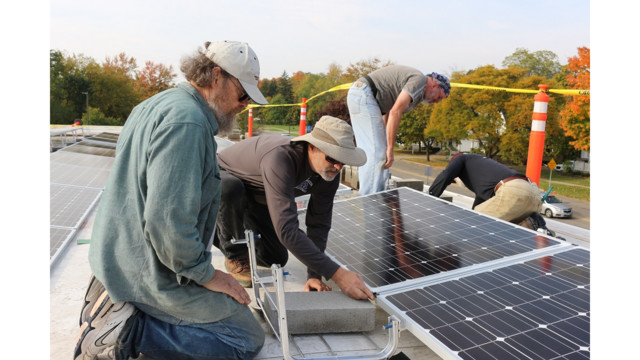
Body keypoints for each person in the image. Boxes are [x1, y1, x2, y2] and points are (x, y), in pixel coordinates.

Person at [74, 40, 269, 360]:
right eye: (242, 93)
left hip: (123, 256)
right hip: (147, 270)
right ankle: (125, 333)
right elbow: (168, 222)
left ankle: (121, 311)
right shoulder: (187, 123)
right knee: (244, 338)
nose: (244, 104)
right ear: (216, 76)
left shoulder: (160, 103)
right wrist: (207, 275)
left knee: (234, 314)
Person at [214, 115, 375, 301]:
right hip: (220, 179)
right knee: (230, 188)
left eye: (343, 161)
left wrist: (314, 275)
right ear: (313, 146)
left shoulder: (329, 174)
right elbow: (287, 230)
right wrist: (338, 274)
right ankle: (233, 251)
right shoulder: (281, 158)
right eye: (332, 158)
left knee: (275, 258)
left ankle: (237, 231)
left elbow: (319, 224)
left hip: (257, 197)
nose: (338, 166)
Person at [347, 64, 451, 195]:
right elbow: (395, 112)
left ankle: (380, 192)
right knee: (377, 153)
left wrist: (386, 144)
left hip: (364, 97)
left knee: (379, 152)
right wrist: (390, 148)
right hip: (364, 94)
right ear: (435, 85)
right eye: (440, 97)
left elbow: (388, 111)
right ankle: (369, 199)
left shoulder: (419, 94)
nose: (436, 101)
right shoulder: (420, 81)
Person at [428, 153, 542, 224]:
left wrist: (429, 198)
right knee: (512, 228)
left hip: (513, 190)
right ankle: (533, 223)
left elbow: (446, 175)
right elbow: (479, 205)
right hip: (533, 192)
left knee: (476, 223)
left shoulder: (461, 158)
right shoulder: (481, 169)